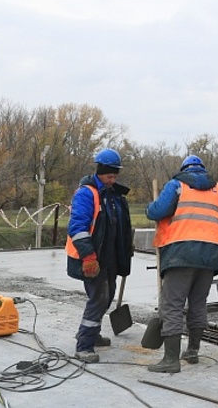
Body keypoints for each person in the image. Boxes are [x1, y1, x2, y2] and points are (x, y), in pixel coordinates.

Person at [145, 154, 218, 373]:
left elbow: (157, 211)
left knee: (172, 305)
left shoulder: (177, 185)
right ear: (203, 170)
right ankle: (192, 351)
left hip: (180, 253)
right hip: (209, 256)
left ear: (184, 169)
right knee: (198, 304)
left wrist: (149, 207)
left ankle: (171, 360)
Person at [65, 148, 133, 363]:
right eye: (108, 176)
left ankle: (92, 334)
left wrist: (126, 245)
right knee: (98, 298)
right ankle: (84, 344)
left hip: (111, 257)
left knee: (107, 296)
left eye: (115, 176)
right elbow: (77, 227)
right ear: (99, 172)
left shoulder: (114, 195)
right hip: (94, 257)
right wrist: (88, 256)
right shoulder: (87, 193)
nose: (112, 179)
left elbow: (119, 225)